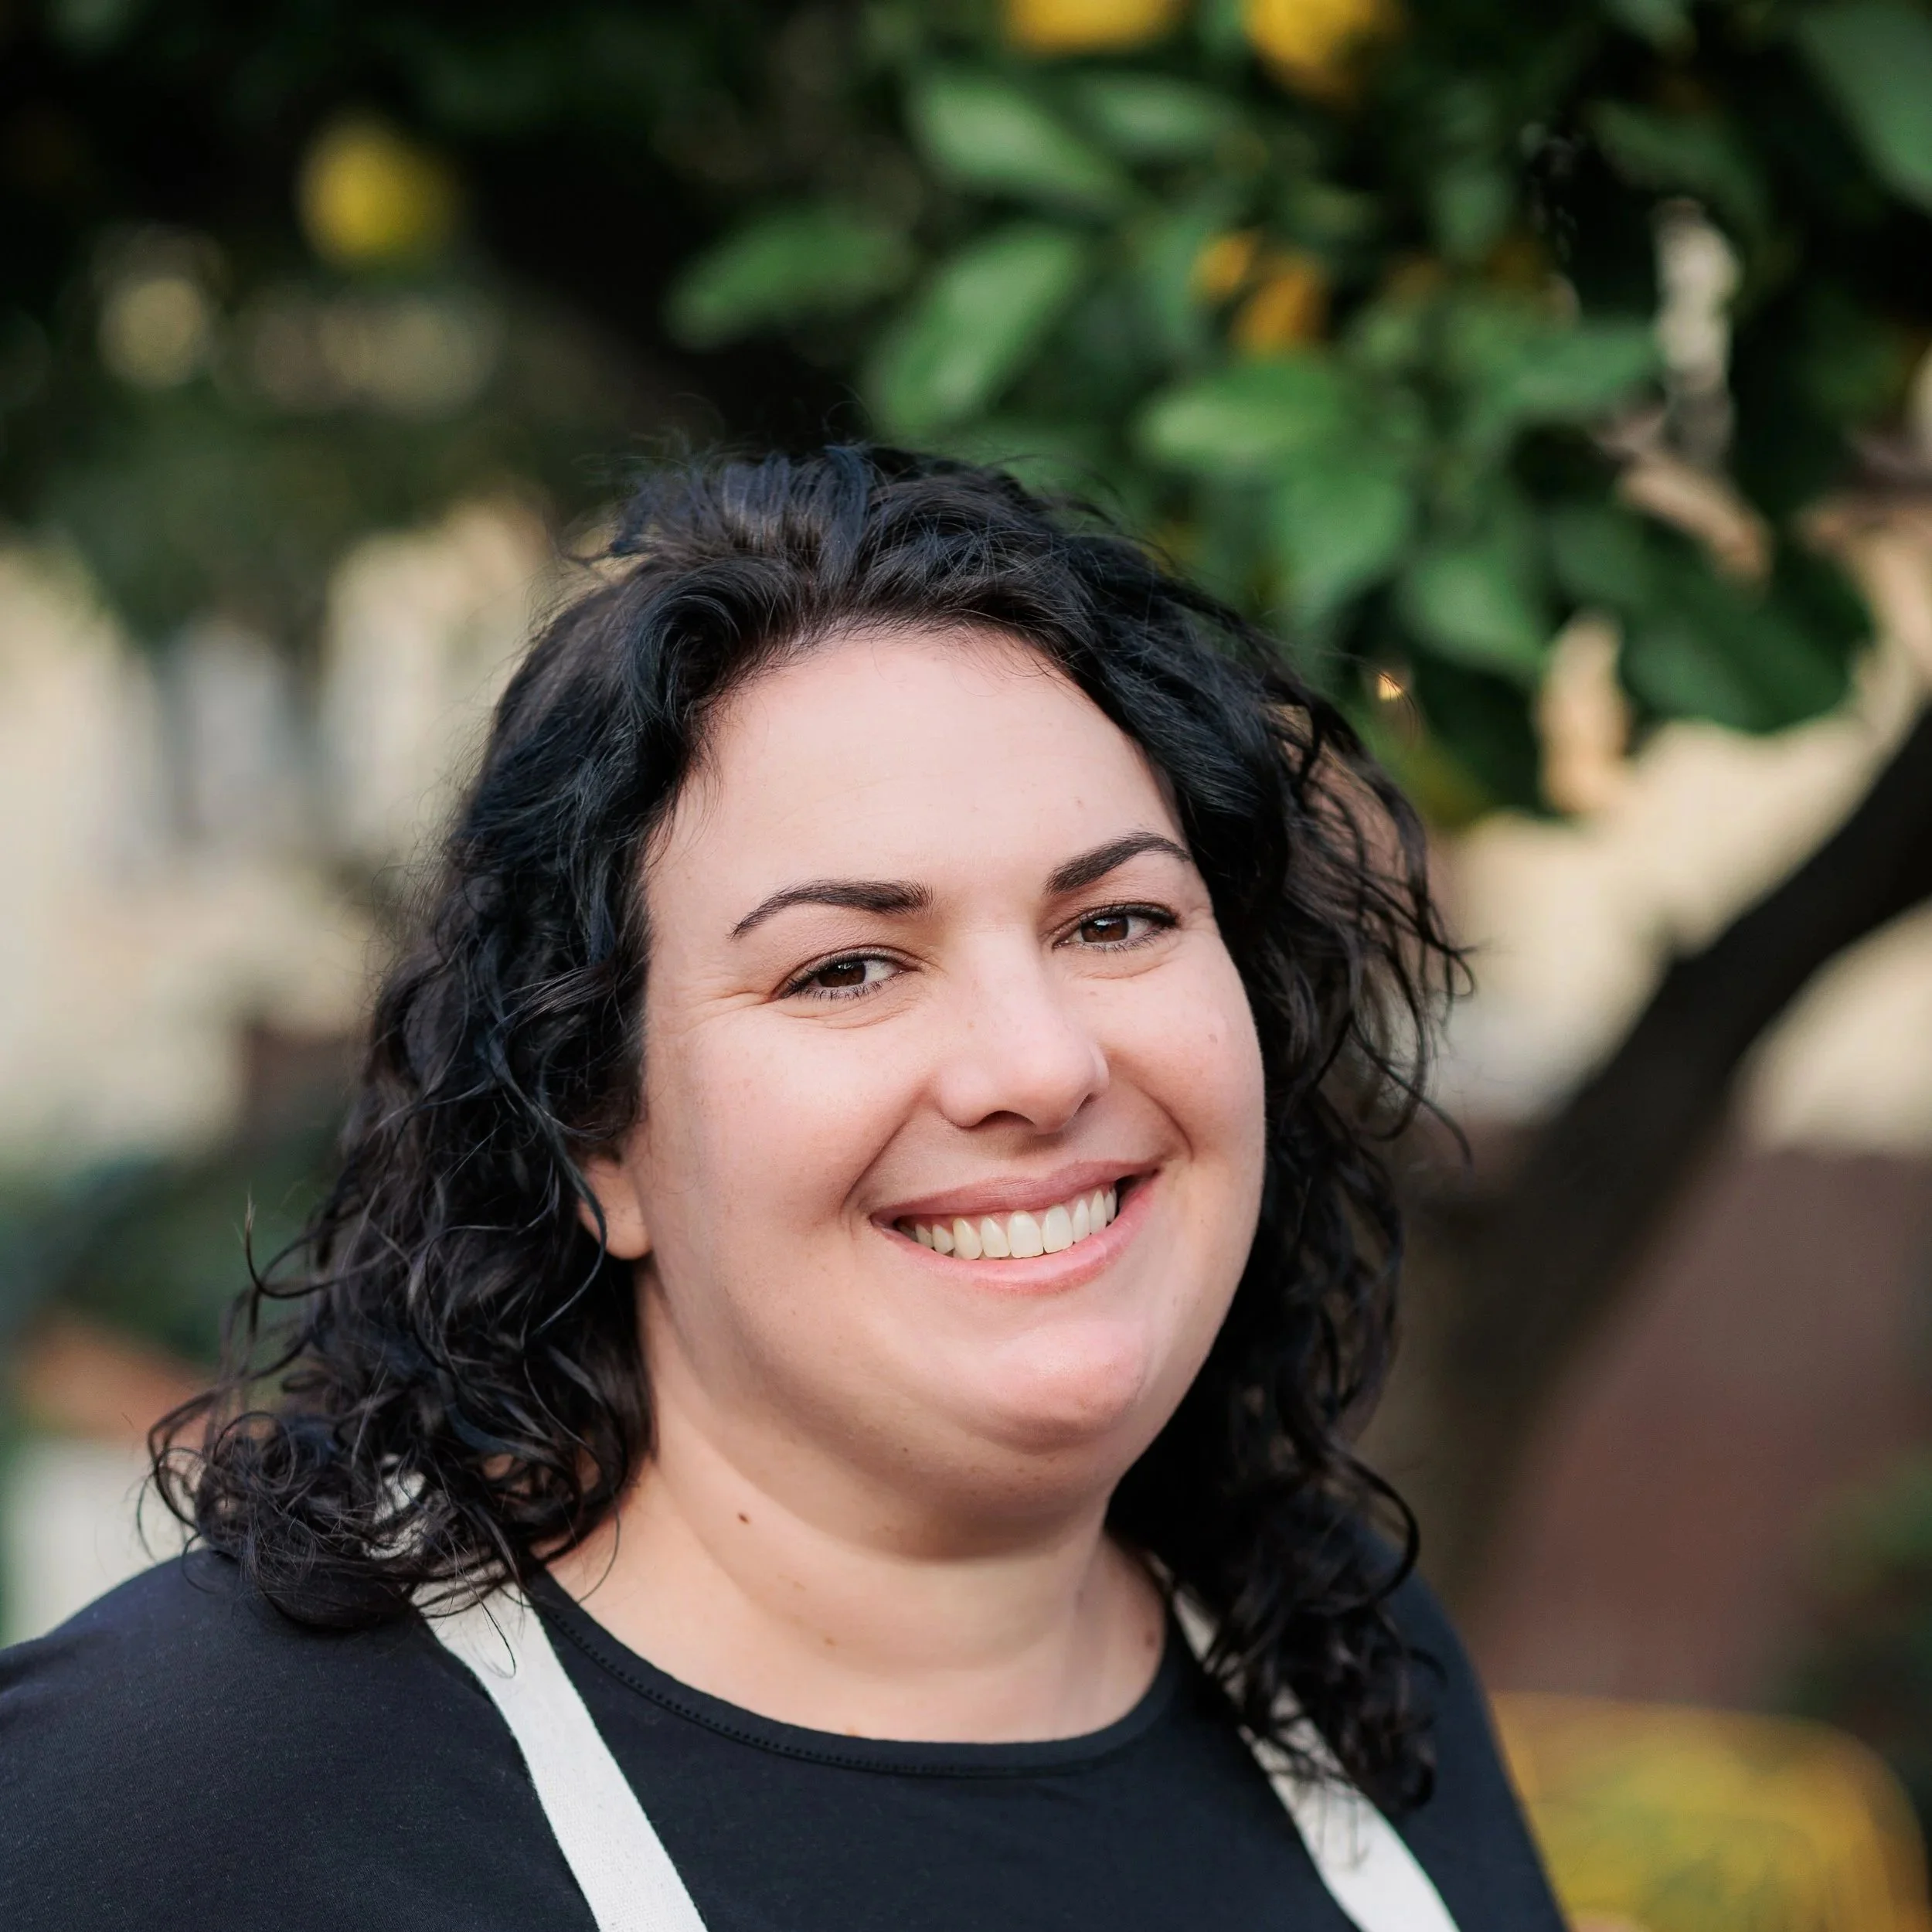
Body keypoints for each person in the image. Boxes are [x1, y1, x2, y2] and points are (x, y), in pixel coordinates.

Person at [0, 448, 1563, 1930]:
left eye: (1114, 921)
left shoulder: (1344, 1658)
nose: (1036, 1063)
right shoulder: (202, 1788)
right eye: (846, 965)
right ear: (593, 1137)